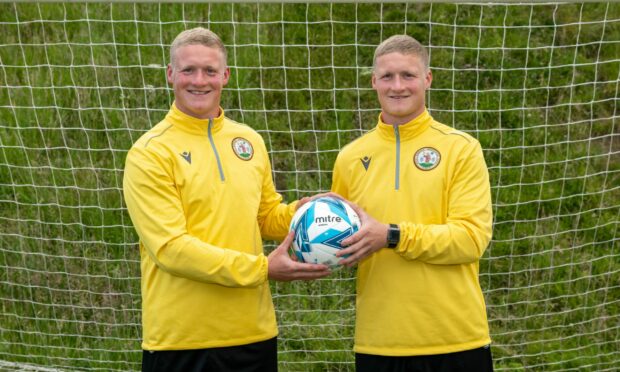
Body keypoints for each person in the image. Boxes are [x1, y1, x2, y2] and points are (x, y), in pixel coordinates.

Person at [123, 27, 331, 372]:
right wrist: (263, 268)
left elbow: (265, 217)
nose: (199, 80)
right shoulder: (150, 152)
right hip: (183, 340)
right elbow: (171, 249)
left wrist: (304, 212)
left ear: (225, 75)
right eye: (188, 70)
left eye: (209, 70)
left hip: (254, 333)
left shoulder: (248, 140)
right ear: (171, 74)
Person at [331, 35, 494, 371]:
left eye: (408, 75)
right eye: (388, 76)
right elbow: (341, 240)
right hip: (379, 342)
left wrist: (392, 235)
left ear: (427, 79)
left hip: (455, 338)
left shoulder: (461, 149)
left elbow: (470, 240)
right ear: (374, 81)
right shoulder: (350, 158)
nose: (398, 86)